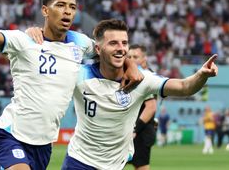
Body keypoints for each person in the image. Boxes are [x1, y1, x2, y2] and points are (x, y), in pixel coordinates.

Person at [0, 0, 142, 170]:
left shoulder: (80, 43)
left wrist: (131, 64)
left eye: (72, 7)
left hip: (43, 146)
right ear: (45, 10)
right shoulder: (24, 41)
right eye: (60, 5)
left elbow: (110, 51)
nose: (67, 11)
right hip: (10, 136)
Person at [61, 19, 218, 170]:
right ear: (97, 49)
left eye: (124, 43)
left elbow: (184, 87)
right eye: (113, 43)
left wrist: (201, 75)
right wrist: (38, 32)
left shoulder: (142, 79)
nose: (121, 48)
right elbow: (59, 43)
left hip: (115, 165)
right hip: (79, 160)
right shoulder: (79, 74)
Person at [127, 44, 157, 170]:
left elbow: (151, 107)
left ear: (144, 59)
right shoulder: (130, 75)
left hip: (140, 131)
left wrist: (134, 130)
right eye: (129, 56)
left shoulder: (147, 77)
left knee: (141, 167)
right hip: (129, 130)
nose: (131, 59)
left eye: (135, 56)